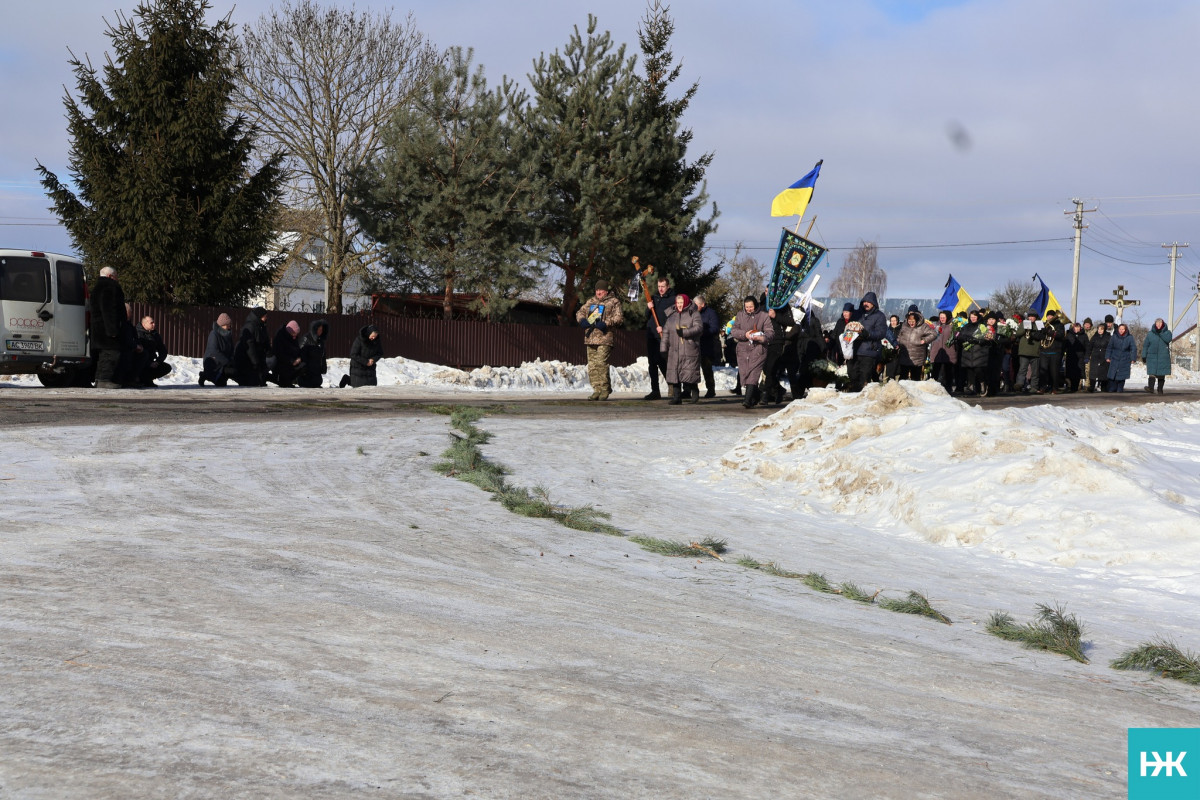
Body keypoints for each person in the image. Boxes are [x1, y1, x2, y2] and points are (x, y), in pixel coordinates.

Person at [575, 279, 624, 400]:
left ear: (606, 291)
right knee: (592, 366)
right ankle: (596, 390)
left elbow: (619, 318)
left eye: (601, 290)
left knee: (601, 363)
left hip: (604, 338)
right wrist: (582, 320)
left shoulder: (614, 302)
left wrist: (606, 323)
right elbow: (579, 312)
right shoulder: (590, 301)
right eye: (597, 290)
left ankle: (605, 389)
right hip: (590, 338)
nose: (598, 292)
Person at [731, 295, 774, 408]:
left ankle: (747, 400)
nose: (749, 309)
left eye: (751, 306)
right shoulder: (740, 315)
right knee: (745, 374)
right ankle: (756, 395)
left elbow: (770, 332)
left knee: (753, 374)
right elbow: (734, 330)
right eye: (747, 307)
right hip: (743, 349)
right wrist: (744, 334)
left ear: (755, 305)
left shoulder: (764, 316)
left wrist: (762, 337)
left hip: (759, 349)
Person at [660, 293, 703, 404]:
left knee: (690, 372)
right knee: (675, 374)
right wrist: (663, 348)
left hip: (689, 348)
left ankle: (694, 392)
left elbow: (699, 328)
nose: (679, 305)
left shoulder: (694, 313)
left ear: (686, 302)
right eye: (678, 303)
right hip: (674, 349)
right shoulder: (672, 316)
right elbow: (665, 333)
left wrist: (685, 332)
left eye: (681, 303)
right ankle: (677, 397)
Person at [88, 266, 126, 388]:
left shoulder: (96, 288)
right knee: (111, 354)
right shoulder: (110, 287)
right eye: (116, 276)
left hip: (98, 327)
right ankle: (104, 380)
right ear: (110, 276)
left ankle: (100, 380)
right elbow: (109, 310)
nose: (117, 279)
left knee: (104, 354)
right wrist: (112, 330)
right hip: (107, 329)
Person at [643, 277, 677, 400]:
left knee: (663, 361)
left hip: (664, 335)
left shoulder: (672, 299)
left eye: (663, 286)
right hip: (652, 333)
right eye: (659, 286)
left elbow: (673, 318)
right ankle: (655, 390)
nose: (660, 289)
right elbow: (646, 316)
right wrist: (648, 307)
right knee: (652, 363)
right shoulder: (654, 298)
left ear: (668, 286)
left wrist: (664, 328)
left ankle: (672, 384)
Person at [847, 291, 887, 392]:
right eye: (864, 301)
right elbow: (849, 327)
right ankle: (852, 399)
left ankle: (861, 400)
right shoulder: (856, 314)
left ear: (874, 303)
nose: (866, 303)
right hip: (854, 351)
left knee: (864, 379)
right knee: (852, 375)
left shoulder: (879, 316)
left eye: (868, 302)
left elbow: (881, 333)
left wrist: (868, 334)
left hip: (869, 352)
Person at [233, 307, 272, 386]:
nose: (266, 318)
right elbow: (249, 346)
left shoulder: (262, 326)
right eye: (265, 316)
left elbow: (266, 340)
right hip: (247, 360)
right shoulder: (250, 326)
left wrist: (269, 352)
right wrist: (255, 362)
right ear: (260, 316)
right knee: (252, 382)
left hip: (258, 357)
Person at [896, 308, 936, 381]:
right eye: (909, 321)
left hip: (917, 357)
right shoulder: (904, 326)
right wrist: (898, 343)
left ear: (916, 320)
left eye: (913, 321)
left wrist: (924, 340)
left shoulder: (923, 326)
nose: (911, 323)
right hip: (905, 356)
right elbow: (900, 336)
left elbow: (933, 334)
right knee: (903, 378)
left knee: (915, 379)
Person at [693, 295, 721, 398]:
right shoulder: (693, 313)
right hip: (694, 345)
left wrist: (701, 332)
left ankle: (711, 389)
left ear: (702, 304)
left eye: (696, 305)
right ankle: (689, 389)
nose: (694, 307)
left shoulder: (711, 313)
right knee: (692, 368)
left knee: (707, 368)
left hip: (707, 345)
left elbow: (715, 328)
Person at [199, 313, 236, 386]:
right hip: (213, 363)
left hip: (225, 363)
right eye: (227, 325)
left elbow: (232, 349)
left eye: (229, 324)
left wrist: (232, 360)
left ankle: (224, 376)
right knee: (221, 383)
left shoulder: (228, 335)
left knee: (234, 372)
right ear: (222, 325)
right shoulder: (214, 334)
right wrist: (227, 362)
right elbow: (214, 351)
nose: (229, 326)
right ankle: (205, 375)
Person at [134, 315, 171, 387]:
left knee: (166, 367)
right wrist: (148, 363)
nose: (154, 324)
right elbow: (136, 352)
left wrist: (157, 362)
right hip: (139, 362)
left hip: (151, 362)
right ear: (144, 324)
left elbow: (163, 350)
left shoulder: (155, 334)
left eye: (154, 323)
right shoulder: (137, 333)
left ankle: (147, 379)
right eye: (151, 323)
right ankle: (140, 379)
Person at [928, 310, 958, 394]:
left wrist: (956, 335)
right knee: (935, 372)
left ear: (948, 317)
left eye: (944, 317)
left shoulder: (952, 326)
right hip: (937, 352)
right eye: (941, 317)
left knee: (948, 372)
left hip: (949, 352)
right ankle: (933, 389)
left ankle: (948, 389)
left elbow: (957, 336)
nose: (942, 319)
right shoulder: (935, 326)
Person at [1037, 309, 1065, 394]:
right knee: (1043, 371)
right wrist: (1041, 333)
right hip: (1044, 351)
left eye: (1051, 316)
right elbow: (1038, 336)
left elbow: (1060, 335)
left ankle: (1054, 388)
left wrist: (1049, 332)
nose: (1049, 317)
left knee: (1054, 372)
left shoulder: (1059, 325)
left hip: (1055, 351)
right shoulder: (1043, 324)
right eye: (1048, 316)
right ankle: (1042, 387)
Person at [1142, 317, 1172, 395]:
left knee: (1161, 374)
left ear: (1163, 324)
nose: (1158, 325)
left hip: (1163, 356)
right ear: (1155, 324)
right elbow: (1145, 345)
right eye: (1157, 323)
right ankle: (1151, 388)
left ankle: (1160, 389)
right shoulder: (1150, 334)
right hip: (1151, 356)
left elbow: (1168, 339)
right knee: (1152, 373)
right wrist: (1144, 355)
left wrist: (1160, 332)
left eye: (1160, 323)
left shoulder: (1167, 333)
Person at [1104, 321, 1137, 392]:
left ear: (1125, 330)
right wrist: (1107, 357)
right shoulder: (1114, 336)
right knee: (1113, 373)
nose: (1121, 331)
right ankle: (1112, 387)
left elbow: (1133, 348)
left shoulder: (1130, 337)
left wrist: (1133, 358)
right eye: (1120, 329)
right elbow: (1109, 347)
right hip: (1114, 358)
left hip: (1125, 358)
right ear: (1118, 329)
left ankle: (1120, 388)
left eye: (1123, 329)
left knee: (1122, 374)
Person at [270, 321, 305, 387]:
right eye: (294, 333)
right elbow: (279, 354)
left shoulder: (293, 338)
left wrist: (299, 358)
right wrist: (292, 361)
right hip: (282, 364)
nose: (295, 335)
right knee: (284, 378)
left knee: (303, 365)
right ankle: (284, 381)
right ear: (290, 332)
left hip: (291, 363)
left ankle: (290, 380)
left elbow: (297, 350)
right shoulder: (280, 337)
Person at [297, 320, 330, 388]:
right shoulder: (306, 339)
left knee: (317, 382)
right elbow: (300, 354)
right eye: (319, 329)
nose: (320, 331)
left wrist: (323, 367)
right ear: (315, 329)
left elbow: (323, 356)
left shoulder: (321, 342)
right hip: (305, 373)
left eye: (322, 330)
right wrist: (303, 369)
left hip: (316, 373)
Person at [1063, 321, 1088, 393]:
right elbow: (1065, 345)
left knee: (1078, 374)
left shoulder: (1084, 335)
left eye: (1078, 327)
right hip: (1071, 356)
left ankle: (1076, 388)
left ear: (1080, 328)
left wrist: (1086, 356)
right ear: (1073, 328)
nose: (1077, 329)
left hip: (1080, 357)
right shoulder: (1069, 334)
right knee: (1070, 373)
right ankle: (1070, 387)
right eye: (1075, 327)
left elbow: (1087, 346)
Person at [1086, 322, 1110, 393]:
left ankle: (1104, 387)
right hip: (1095, 357)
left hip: (1104, 357)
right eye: (1099, 329)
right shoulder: (1094, 337)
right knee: (1093, 372)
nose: (1100, 331)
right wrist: (1087, 356)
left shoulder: (1108, 337)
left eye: (1102, 329)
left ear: (1104, 330)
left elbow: (1111, 347)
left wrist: (1109, 356)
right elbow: (1089, 347)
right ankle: (1092, 387)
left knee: (1103, 373)